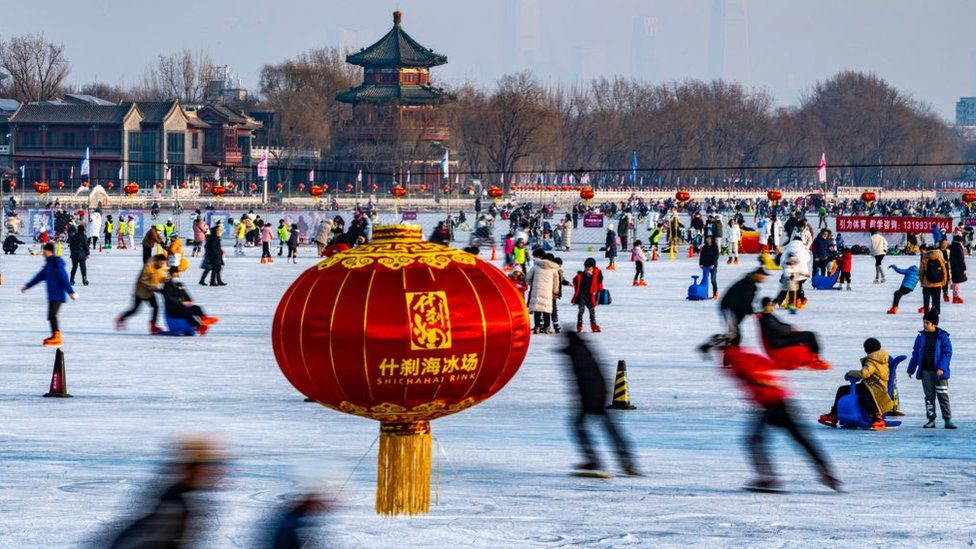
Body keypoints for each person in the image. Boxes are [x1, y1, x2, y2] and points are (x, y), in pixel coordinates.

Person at [715, 342, 841, 492]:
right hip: (781, 403)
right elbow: (769, 372)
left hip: (773, 405)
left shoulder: (738, 361)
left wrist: (759, 385)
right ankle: (826, 473)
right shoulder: (751, 357)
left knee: (756, 441)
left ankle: (768, 478)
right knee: (802, 440)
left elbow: (755, 377)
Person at [107, 436, 225, 548]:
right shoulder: (172, 509)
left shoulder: (174, 500)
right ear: (192, 470)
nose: (218, 472)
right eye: (210, 465)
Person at [560, 330, 639, 476]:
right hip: (597, 396)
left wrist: (590, 401)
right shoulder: (585, 350)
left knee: (580, 427)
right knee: (609, 430)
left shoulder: (577, 353)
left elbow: (588, 377)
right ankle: (627, 461)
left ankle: (593, 461)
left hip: (591, 398)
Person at [817, 338, 892, 430]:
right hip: (871, 386)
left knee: (864, 395)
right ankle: (834, 414)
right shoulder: (881, 357)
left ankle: (877, 418)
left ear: (866, 349)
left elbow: (864, 373)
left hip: (874, 388)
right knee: (842, 390)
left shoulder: (872, 360)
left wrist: (850, 373)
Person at [21, 243, 77, 347]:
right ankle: (54, 335)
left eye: (44, 251)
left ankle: (57, 337)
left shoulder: (56, 263)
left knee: (52, 315)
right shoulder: (48, 264)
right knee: (51, 316)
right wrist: (27, 286)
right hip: (52, 295)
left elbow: (63, 278)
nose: (42, 253)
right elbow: (39, 277)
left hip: (58, 294)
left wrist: (70, 292)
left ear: (48, 251)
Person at [906, 311, 955, 429]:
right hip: (926, 372)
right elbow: (916, 354)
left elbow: (947, 353)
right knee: (929, 397)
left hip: (940, 373)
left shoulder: (943, 337)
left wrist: (941, 368)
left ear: (934, 324)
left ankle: (947, 419)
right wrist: (911, 369)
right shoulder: (920, 337)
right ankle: (931, 419)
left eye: (927, 323)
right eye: (924, 322)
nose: (924, 325)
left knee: (942, 395)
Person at [713, 268, 768, 346]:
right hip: (728, 309)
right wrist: (753, 312)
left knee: (735, 336)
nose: (764, 278)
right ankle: (710, 345)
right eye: (763, 276)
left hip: (732, 308)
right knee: (734, 334)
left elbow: (745, 302)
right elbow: (745, 301)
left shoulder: (749, 283)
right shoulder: (748, 284)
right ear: (756, 274)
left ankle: (730, 352)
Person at [756, 297, 824, 360]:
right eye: (771, 305)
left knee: (807, 335)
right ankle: (815, 357)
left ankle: (811, 356)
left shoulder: (768, 316)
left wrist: (792, 328)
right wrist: (791, 329)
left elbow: (780, 325)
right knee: (810, 336)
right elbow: (777, 330)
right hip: (780, 341)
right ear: (766, 306)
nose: (772, 307)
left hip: (781, 338)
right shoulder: (766, 319)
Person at [116, 254, 169, 334]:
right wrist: (154, 288)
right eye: (160, 263)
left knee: (155, 307)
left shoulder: (162, 267)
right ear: (156, 261)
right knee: (136, 309)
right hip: (141, 291)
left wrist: (169, 279)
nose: (162, 265)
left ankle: (153, 326)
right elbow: (144, 280)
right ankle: (121, 318)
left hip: (150, 291)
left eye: (163, 263)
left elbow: (163, 276)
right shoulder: (148, 266)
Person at [161, 267, 219, 335]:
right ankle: (198, 326)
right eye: (174, 276)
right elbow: (169, 298)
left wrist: (188, 301)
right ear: (170, 276)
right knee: (187, 312)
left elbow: (187, 296)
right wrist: (181, 302)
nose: (176, 277)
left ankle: (205, 319)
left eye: (177, 275)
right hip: (172, 309)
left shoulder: (180, 285)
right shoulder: (167, 286)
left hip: (182, 306)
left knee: (197, 308)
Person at [526, 252, 560, 334]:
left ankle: (537, 327)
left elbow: (528, 278)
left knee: (537, 310)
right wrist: (555, 291)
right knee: (546, 310)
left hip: (537, 290)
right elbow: (556, 282)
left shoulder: (535, 267)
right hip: (548, 292)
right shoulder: (554, 270)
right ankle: (547, 328)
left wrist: (532, 284)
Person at [571, 258, 603, 333]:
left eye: (590, 269)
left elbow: (600, 280)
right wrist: (578, 275)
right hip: (582, 296)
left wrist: (598, 290)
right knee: (581, 310)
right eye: (586, 269)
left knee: (592, 311)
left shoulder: (595, 275)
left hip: (591, 296)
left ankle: (594, 325)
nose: (588, 270)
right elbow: (575, 281)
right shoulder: (581, 276)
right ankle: (579, 325)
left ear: (593, 268)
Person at [919, 246, 947, 314]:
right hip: (938, 283)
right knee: (937, 300)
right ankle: (936, 313)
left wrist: (922, 281)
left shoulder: (925, 258)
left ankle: (927, 313)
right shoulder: (939, 257)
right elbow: (944, 270)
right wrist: (944, 281)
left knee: (926, 300)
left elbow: (921, 271)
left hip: (926, 283)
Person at [699, 235, 720, 299]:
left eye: (709, 239)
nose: (707, 240)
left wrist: (713, 264)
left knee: (713, 280)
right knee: (705, 280)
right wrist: (700, 263)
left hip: (713, 266)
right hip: (705, 265)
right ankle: (705, 293)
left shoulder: (715, 246)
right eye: (707, 238)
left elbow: (716, 256)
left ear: (711, 239)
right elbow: (701, 256)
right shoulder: (704, 247)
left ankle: (715, 293)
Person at [949, 235, 967, 303]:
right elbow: (961, 258)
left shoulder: (952, 246)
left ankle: (955, 296)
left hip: (953, 266)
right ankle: (955, 297)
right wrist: (964, 268)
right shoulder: (958, 247)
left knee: (955, 281)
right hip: (958, 267)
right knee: (956, 282)